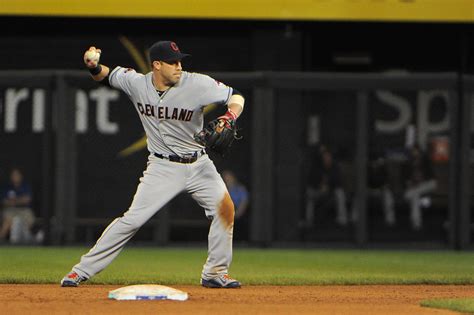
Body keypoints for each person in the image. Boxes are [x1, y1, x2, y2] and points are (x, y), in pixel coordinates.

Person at [61, 41, 245, 288]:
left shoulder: (197, 84)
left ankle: (215, 272)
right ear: (157, 65)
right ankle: (80, 271)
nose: (179, 66)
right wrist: (93, 65)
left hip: (199, 164)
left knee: (225, 209)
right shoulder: (137, 83)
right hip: (162, 167)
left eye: (180, 61)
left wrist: (229, 115)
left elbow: (236, 96)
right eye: (173, 62)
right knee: (132, 220)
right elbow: (106, 76)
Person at [305, 145, 349, 227]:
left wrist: (329, 183)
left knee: (340, 193)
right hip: (318, 191)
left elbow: (339, 182)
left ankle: (342, 219)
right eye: (325, 157)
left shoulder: (335, 167)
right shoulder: (317, 167)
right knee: (309, 194)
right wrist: (320, 184)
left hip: (331, 191)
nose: (327, 159)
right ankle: (309, 221)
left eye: (328, 157)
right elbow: (311, 181)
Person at [402, 144, 437, 230]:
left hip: (428, 184)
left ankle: (416, 222)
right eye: (413, 151)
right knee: (415, 197)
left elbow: (431, 176)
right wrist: (409, 182)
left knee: (412, 194)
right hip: (416, 188)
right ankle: (417, 223)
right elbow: (405, 178)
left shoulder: (425, 160)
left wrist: (421, 181)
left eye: (416, 151)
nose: (414, 153)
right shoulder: (408, 162)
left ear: (419, 151)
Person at [0, 168, 36, 244]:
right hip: (10, 210)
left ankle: (25, 242)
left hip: (24, 210)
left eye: (16, 175)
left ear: (20, 176)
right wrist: (19, 200)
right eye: (13, 175)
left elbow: (27, 199)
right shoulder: (6, 187)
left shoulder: (25, 186)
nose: (15, 177)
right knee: (7, 220)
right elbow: (4, 201)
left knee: (28, 220)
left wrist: (14, 201)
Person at [222, 170, 249, 240]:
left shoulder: (240, 189)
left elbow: (244, 202)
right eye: (225, 178)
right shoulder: (221, 189)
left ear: (233, 178)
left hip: (238, 215)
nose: (227, 180)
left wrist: (237, 214)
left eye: (229, 178)